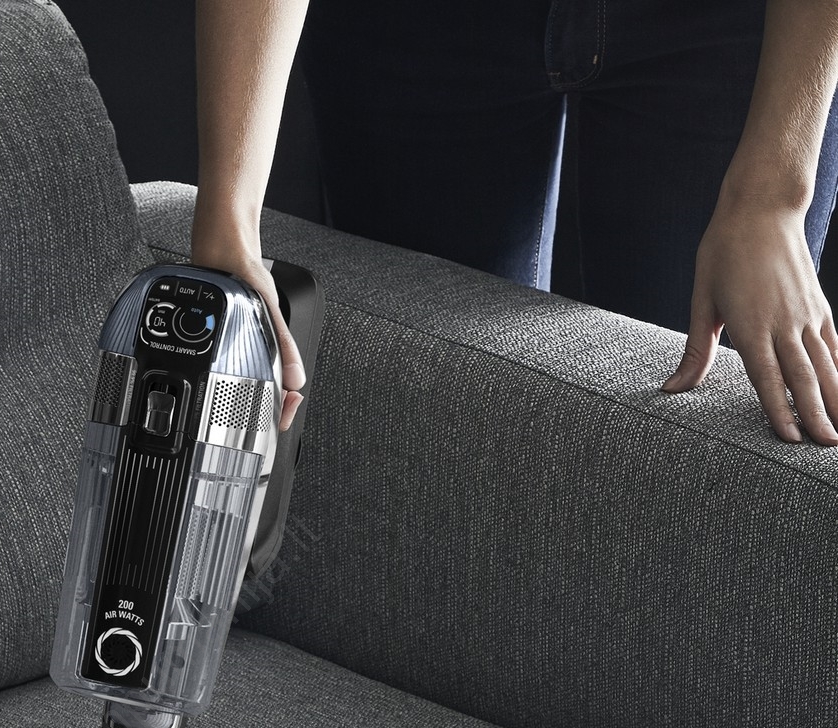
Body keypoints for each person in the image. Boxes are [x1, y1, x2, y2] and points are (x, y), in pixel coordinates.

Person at [192, 0, 838, 446]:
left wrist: (773, 198)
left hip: (730, 23)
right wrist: (229, 211)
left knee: (708, 441)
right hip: (422, 25)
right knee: (422, 424)